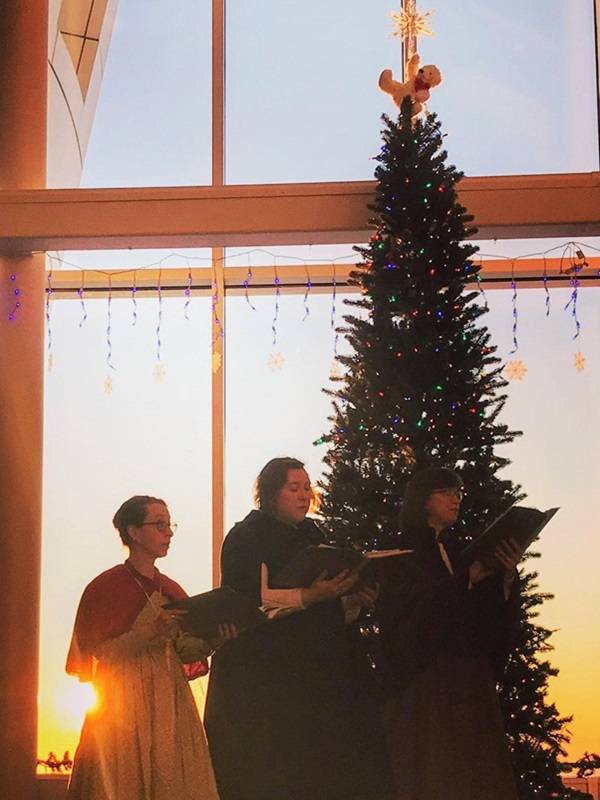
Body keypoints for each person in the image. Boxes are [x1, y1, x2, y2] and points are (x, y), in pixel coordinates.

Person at [204, 457, 393, 800]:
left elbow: (330, 616)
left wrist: (352, 599)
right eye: (294, 488)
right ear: (271, 493)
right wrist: (308, 596)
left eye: (307, 487)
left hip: (318, 684)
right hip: (267, 685)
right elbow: (246, 604)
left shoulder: (315, 536)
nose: (304, 495)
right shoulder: (246, 537)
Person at [66, 495, 233, 800]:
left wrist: (214, 640)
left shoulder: (169, 588)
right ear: (133, 532)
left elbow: (184, 650)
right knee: (124, 779)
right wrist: (148, 631)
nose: (168, 532)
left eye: (169, 525)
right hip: (122, 698)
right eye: (159, 524)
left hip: (170, 697)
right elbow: (100, 655)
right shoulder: (106, 588)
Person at [376, 467, 522, 800]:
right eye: (446, 492)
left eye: (459, 492)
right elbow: (409, 614)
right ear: (423, 499)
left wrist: (506, 575)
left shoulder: (460, 551)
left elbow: (485, 615)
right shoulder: (401, 554)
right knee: (435, 775)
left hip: (470, 682)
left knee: (476, 777)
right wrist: (464, 579)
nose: (456, 499)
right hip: (427, 686)